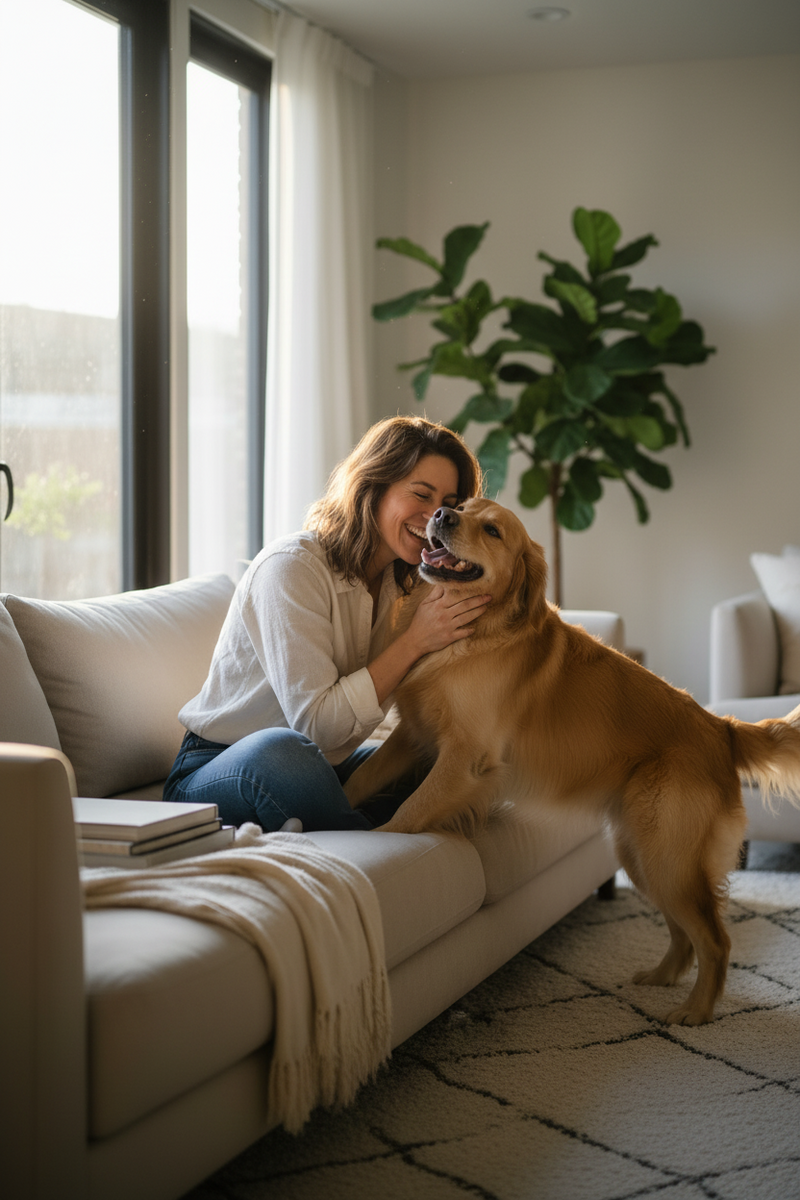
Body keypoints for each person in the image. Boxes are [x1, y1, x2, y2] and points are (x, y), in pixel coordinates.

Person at [164, 416, 491, 832]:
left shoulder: (413, 580)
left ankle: (348, 825)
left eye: (448, 505)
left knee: (441, 764)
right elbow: (317, 728)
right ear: (374, 487)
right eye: (421, 495)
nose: (434, 518)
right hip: (224, 767)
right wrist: (415, 641)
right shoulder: (291, 569)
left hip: (324, 767)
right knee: (283, 751)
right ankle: (365, 838)